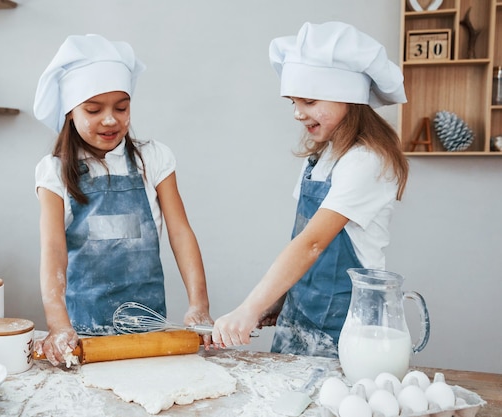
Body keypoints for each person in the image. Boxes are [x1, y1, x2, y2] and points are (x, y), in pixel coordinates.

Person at [211, 21, 409, 357]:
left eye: (309, 100)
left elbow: (314, 243)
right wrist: (277, 300)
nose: (297, 113)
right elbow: (301, 239)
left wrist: (247, 309)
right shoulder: (320, 158)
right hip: (302, 312)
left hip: (345, 323)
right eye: (293, 102)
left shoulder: (365, 161)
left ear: (348, 98)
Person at [33, 34, 212, 366]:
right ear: (70, 111)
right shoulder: (54, 172)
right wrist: (58, 325)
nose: (111, 119)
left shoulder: (153, 158)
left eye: (121, 106)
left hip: (149, 330)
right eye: (93, 109)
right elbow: (53, 252)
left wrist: (198, 303)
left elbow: (181, 233)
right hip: (84, 334)